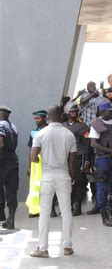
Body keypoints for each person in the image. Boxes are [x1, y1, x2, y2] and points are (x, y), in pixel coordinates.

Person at [29, 106, 76, 258]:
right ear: (61, 116)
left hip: (47, 176)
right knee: (66, 211)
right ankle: (67, 246)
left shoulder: (41, 134)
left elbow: (33, 157)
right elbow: (72, 161)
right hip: (63, 175)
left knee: (44, 212)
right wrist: (72, 177)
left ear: (48, 117)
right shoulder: (69, 135)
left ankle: (43, 249)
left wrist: (40, 158)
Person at [89, 99, 112, 226]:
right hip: (102, 159)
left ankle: (111, 212)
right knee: (102, 188)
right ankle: (104, 215)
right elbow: (94, 144)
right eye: (109, 111)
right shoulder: (96, 123)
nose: (111, 113)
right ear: (103, 111)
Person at [63, 102, 91, 216]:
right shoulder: (62, 126)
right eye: (71, 111)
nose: (74, 113)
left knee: (79, 182)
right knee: (66, 182)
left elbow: (87, 143)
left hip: (79, 156)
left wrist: (87, 160)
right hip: (65, 157)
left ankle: (77, 205)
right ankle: (68, 206)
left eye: (75, 111)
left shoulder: (82, 126)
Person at [26, 110, 50, 218]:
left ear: (45, 118)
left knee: (47, 186)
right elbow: (31, 149)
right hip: (36, 162)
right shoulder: (33, 132)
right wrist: (29, 166)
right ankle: (35, 209)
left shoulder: (50, 130)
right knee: (35, 186)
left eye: (38, 118)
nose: (36, 120)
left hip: (48, 160)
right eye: (35, 118)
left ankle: (49, 209)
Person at [0, 105, 19, 229]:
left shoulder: (0, 124)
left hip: (2, 159)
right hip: (13, 158)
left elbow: (0, 143)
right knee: (12, 190)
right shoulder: (13, 126)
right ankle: (10, 220)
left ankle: (2, 215)